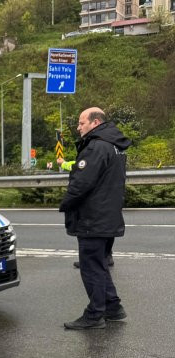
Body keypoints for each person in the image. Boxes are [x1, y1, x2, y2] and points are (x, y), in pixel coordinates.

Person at [59, 107, 130, 330]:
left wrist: (66, 202)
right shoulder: (114, 145)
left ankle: (95, 314)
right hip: (108, 215)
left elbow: (82, 182)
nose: (78, 128)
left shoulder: (97, 146)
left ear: (95, 122)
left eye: (82, 123)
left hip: (93, 218)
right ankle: (113, 308)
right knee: (99, 264)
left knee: (91, 268)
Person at [57, 156, 114, 268]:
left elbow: (80, 167)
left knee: (91, 230)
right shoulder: (112, 152)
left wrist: (63, 163)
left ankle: (92, 260)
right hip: (109, 196)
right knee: (107, 228)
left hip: (96, 199)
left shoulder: (94, 150)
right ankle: (107, 256)